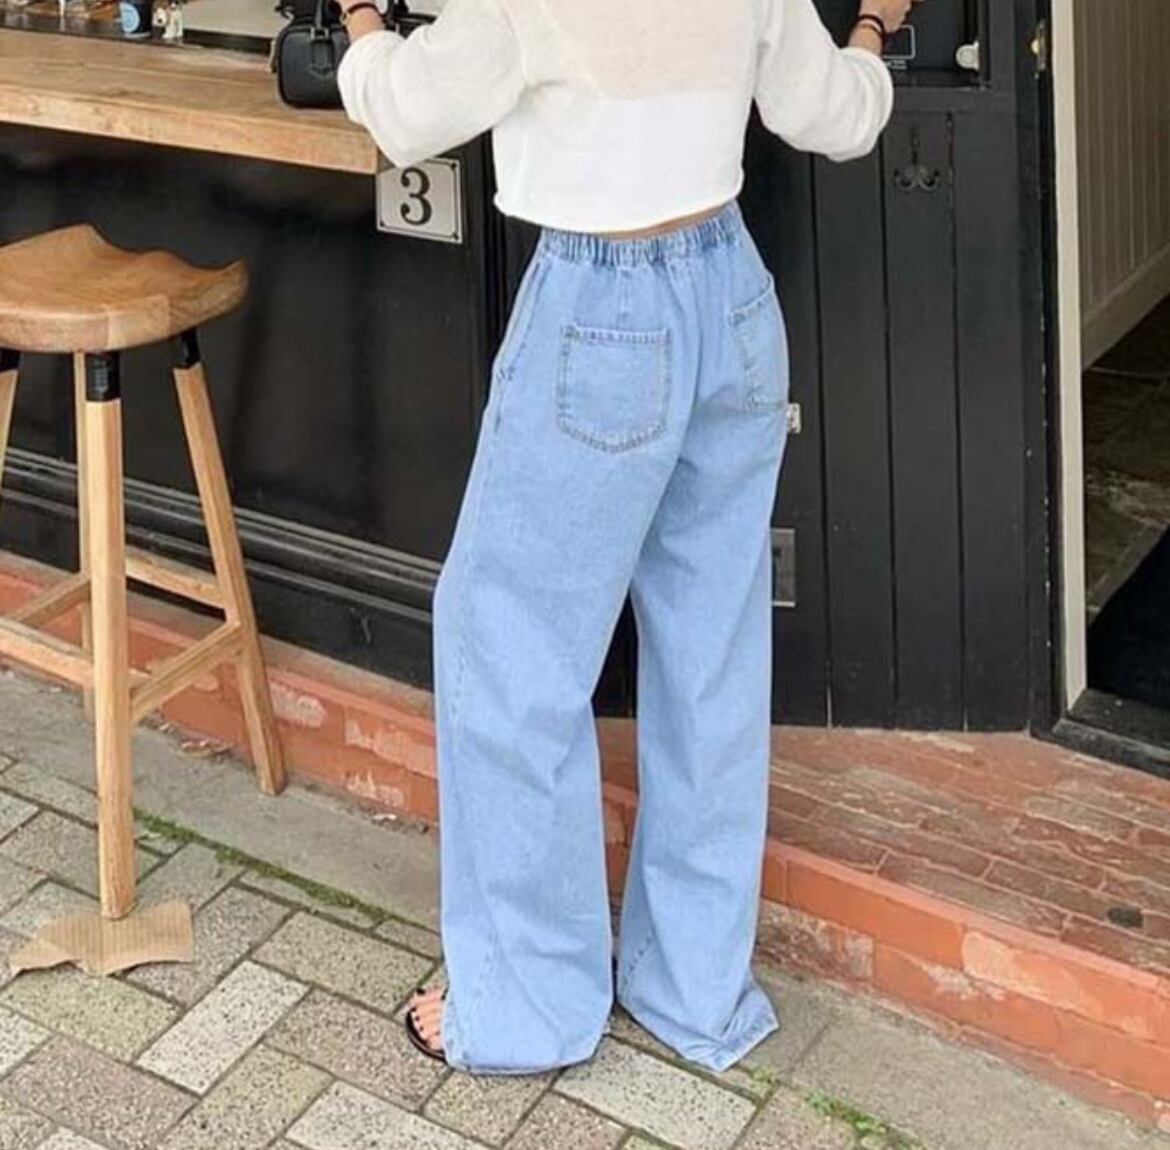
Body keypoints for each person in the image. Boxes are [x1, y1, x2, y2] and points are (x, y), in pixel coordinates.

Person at [336, 0, 912, 1075]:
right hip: (733, 297)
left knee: (507, 650)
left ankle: (527, 1007)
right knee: (711, 661)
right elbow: (834, 116)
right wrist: (874, 26)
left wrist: (362, 24)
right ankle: (695, 989)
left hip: (600, 309)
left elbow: (406, 115)